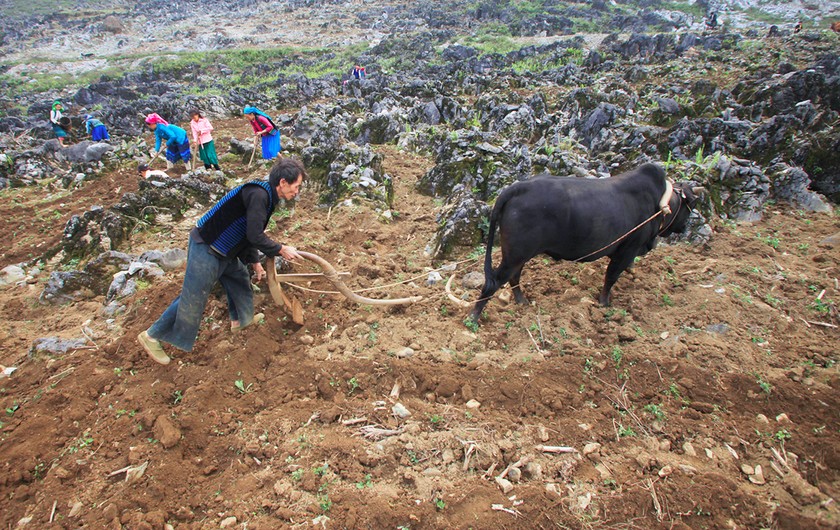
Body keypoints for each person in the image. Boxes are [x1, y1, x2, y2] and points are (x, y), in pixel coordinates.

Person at [137, 157, 307, 365]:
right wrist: (281, 249)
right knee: (194, 295)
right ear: (282, 183)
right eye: (296, 186)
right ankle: (152, 336)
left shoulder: (267, 196)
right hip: (207, 245)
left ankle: (241, 321)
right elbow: (255, 235)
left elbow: (252, 231)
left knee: (239, 278)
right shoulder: (259, 195)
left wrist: (255, 263)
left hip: (225, 250)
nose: (297, 192)